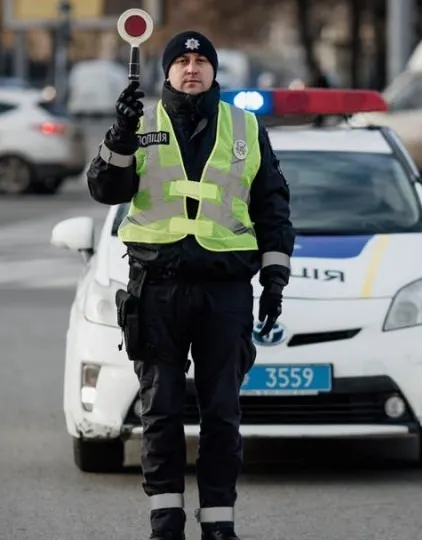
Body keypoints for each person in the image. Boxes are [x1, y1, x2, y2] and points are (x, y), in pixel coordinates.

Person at [86, 30, 295, 540]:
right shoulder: (140, 123)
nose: (192, 67)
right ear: (167, 70)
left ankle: (219, 522)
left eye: (202, 60)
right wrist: (118, 135)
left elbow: (272, 205)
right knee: (160, 413)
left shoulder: (244, 127)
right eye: (182, 60)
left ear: (215, 70)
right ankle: (166, 521)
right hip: (156, 289)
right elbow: (104, 189)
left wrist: (274, 276)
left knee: (222, 412)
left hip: (224, 292)